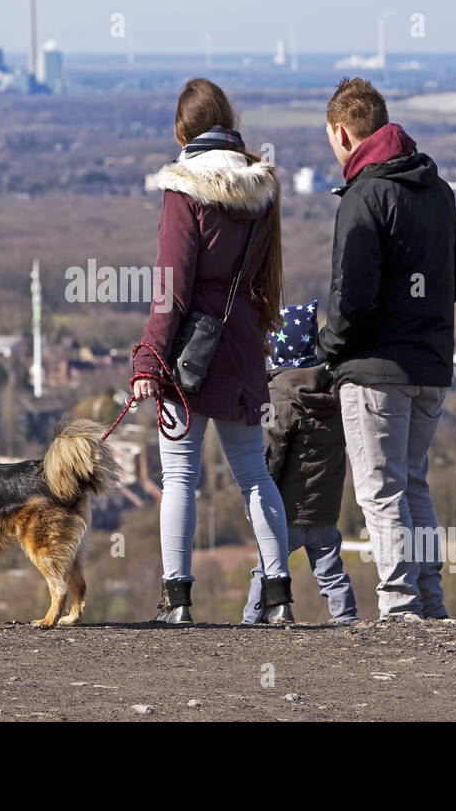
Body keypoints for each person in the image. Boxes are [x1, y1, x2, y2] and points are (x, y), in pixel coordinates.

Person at [132, 77, 293, 625]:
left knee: (179, 477)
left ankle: (177, 604)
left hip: (187, 358)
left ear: (183, 130)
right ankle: (279, 598)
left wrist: (149, 358)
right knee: (254, 473)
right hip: (244, 345)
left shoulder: (183, 189)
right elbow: (263, 278)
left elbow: (171, 286)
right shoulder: (261, 187)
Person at [316, 77, 456, 621]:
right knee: (413, 484)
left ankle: (401, 609)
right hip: (430, 366)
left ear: (342, 132)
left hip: (375, 371)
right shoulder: (438, 190)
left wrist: (328, 352)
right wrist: (420, 318)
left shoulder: (363, 195)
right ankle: (428, 604)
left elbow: (350, 299)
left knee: (381, 492)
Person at [242, 300, 358, 625]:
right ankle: (347, 617)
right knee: (331, 570)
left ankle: (250, 620)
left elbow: (271, 456)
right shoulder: (335, 394)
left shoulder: (278, 398)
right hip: (325, 508)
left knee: (267, 565)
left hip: (286, 513)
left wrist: (256, 503)